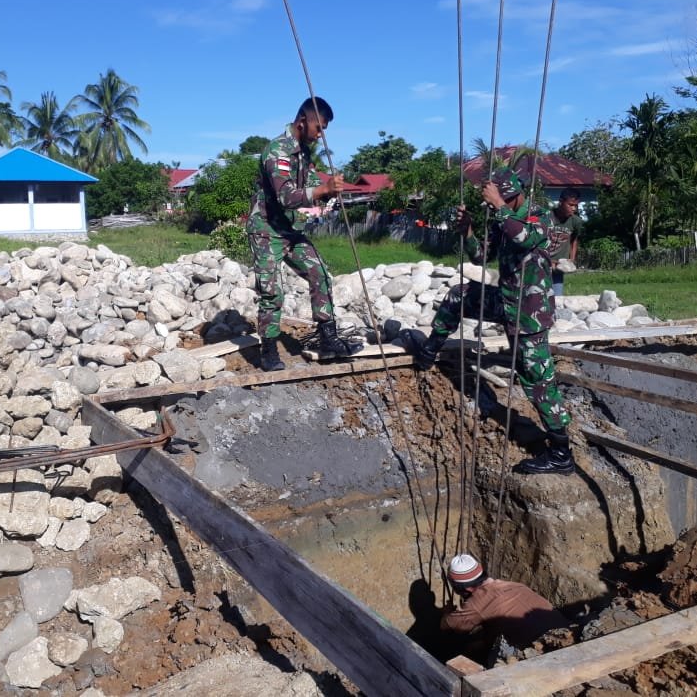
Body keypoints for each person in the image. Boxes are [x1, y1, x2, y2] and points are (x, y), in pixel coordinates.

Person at [400, 169, 574, 474]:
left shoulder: (540, 216)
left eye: (503, 200)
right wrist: (467, 230)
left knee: (537, 380)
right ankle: (429, 352)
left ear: (516, 194)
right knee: (459, 295)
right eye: (495, 203)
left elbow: (524, 237)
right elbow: (482, 256)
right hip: (506, 301)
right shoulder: (500, 215)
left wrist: (499, 207)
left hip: (529, 312)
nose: (496, 207)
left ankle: (561, 453)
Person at [246, 96, 362, 372]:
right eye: (319, 128)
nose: (321, 136)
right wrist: (322, 191)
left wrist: (329, 190)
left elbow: (309, 183)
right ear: (302, 122)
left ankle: (328, 337)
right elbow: (287, 195)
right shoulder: (277, 150)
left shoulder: (304, 151)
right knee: (272, 292)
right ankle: (269, 351)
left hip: (289, 229)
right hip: (266, 230)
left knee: (319, 273)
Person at [441, 553, 569, 650]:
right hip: (567, 634)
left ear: (466, 588)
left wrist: (447, 612)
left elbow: (446, 626)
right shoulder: (514, 585)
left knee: (469, 650)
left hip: (540, 650)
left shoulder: (477, 602)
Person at [547, 188, 582, 296]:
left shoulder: (575, 221)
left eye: (576, 205)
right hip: (542, 266)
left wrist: (571, 259)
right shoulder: (547, 217)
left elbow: (574, 240)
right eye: (570, 205)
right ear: (561, 202)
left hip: (559, 268)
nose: (574, 208)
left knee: (557, 299)